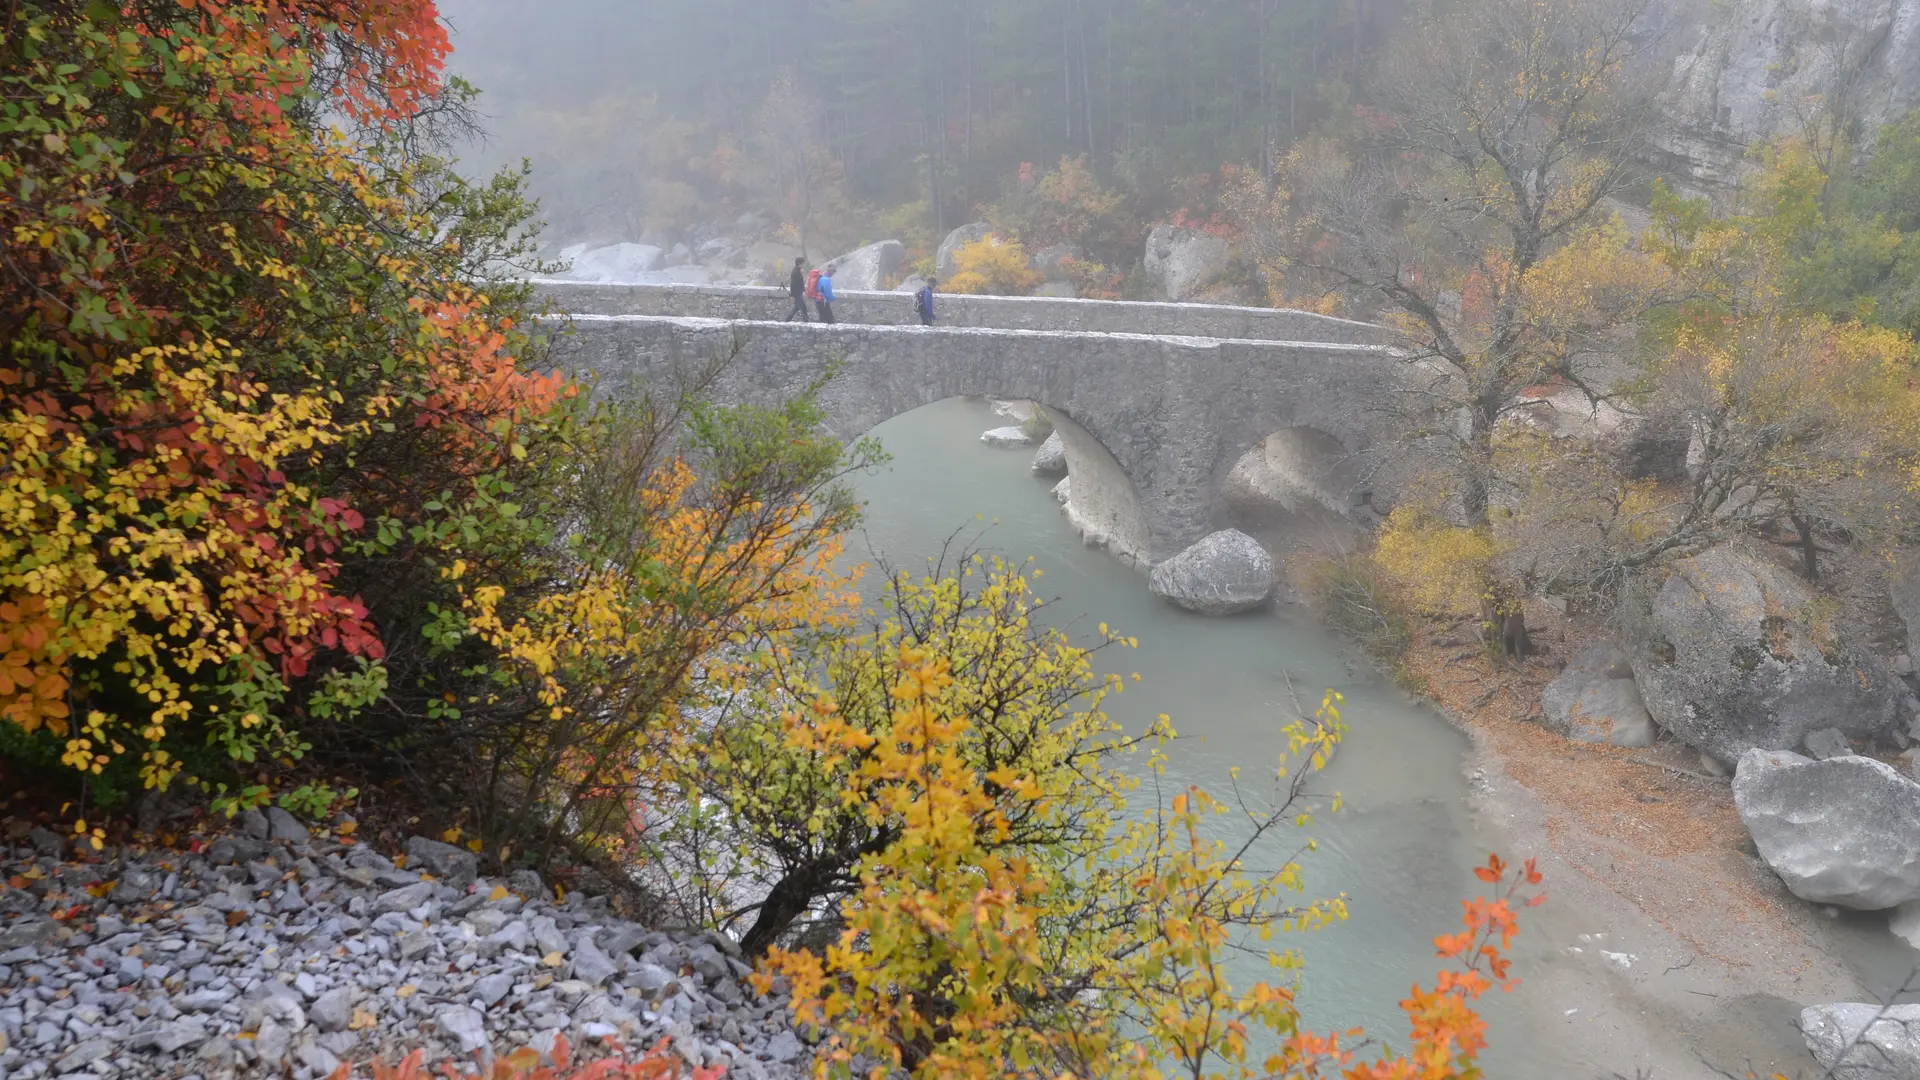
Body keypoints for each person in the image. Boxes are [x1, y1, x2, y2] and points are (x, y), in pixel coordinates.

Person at [786, 256, 809, 322]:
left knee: (796, 308)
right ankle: (806, 322)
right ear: (799, 263)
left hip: (798, 292)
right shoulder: (795, 272)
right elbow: (793, 284)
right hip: (797, 293)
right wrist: (792, 295)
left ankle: (787, 321)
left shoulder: (797, 271)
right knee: (803, 308)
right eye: (803, 263)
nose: (803, 265)